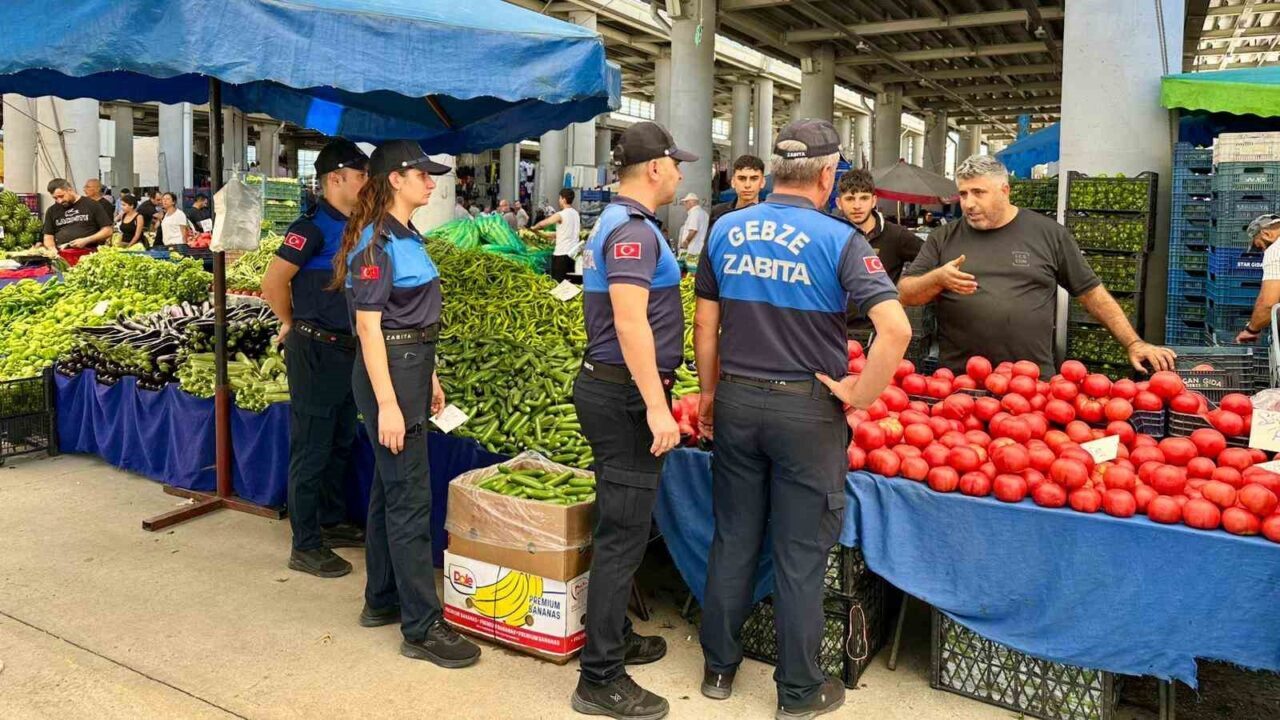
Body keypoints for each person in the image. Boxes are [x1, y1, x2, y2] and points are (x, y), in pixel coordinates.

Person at [695, 119, 911, 720]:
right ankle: (797, 691)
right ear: (827, 174)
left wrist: (709, 395)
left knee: (733, 538)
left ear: (774, 170)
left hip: (737, 400)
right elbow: (895, 330)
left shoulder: (725, 228)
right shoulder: (842, 240)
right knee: (799, 552)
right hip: (805, 410)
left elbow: (706, 324)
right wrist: (860, 393)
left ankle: (718, 670)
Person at [331, 140, 480, 669]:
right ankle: (421, 626)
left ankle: (382, 598)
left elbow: (412, 318)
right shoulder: (375, 245)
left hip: (411, 367)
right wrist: (389, 405)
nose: (432, 183)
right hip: (390, 374)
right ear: (395, 179)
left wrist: (430, 375)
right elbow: (370, 330)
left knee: (388, 490)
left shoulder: (407, 236)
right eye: (422, 175)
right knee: (410, 500)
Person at [571, 121, 695, 720]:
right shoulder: (634, 232)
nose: (680, 174)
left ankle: (613, 636)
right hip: (624, 396)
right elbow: (629, 321)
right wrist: (655, 405)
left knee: (618, 524)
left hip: (611, 388)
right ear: (654, 168)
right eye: (676, 164)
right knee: (622, 536)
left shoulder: (620, 221)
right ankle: (599, 678)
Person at [899, 154, 1176, 376]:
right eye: (963, 194)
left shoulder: (1048, 234)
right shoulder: (943, 238)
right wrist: (938, 278)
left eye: (979, 192)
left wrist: (1133, 342)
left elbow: (1091, 293)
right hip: (961, 382)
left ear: (1005, 191)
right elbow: (905, 293)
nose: (969, 203)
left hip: (1031, 384)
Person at [260, 140, 371, 579]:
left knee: (341, 439)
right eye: (360, 176)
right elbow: (273, 282)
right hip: (316, 350)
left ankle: (331, 520)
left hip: (348, 350)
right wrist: (292, 321)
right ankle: (305, 544)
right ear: (335, 179)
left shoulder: (358, 224)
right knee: (311, 447)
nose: (367, 183)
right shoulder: (310, 228)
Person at [835, 168, 924, 336]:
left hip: (880, 332)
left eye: (864, 198)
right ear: (839, 203)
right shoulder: (829, 235)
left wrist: (907, 284)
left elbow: (930, 258)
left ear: (874, 201)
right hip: (835, 330)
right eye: (850, 199)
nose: (857, 206)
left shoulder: (896, 235)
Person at [1235, 214, 1280, 343]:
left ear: (1266, 234)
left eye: (1259, 246)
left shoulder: (1275, 250)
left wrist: (1251, 330)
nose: (1262, 251)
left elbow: (1268, 303)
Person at [41, 178, 113, 252]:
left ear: (70, 190)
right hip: (61, 253)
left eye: (61, 196)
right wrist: (52, 249)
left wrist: (86, 240)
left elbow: (108, 230)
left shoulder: (92, 205)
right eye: (55, 198)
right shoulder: (52, 210)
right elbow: (48, 236)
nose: (59, 201)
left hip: (89, 253)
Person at [531, 188, 581, 282]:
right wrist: (541, 234)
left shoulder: (561, 214)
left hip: (561, 255)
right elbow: (563, 233)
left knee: (559, 283)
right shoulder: (576, 214)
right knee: (571, 284)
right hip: (574, 255)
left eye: (560, 198)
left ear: (564, 199)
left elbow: (544, 223)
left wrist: (534, 228)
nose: (559, 201)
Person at [708, 155, 766, 232]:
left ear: (762, 182)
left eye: (754, 179)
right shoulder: (718, 212)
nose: (747, 185)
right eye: (741, 178)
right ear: (733, 182)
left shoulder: (770, 215)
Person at [677, 192, 709, 260]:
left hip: (692, 251)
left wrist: (686, 242)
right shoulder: (705, 214)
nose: (685, 205)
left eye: (686, 202)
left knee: (690, 266)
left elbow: (693, 230)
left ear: (691, 202)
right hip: (700, 249)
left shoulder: (694, 213)